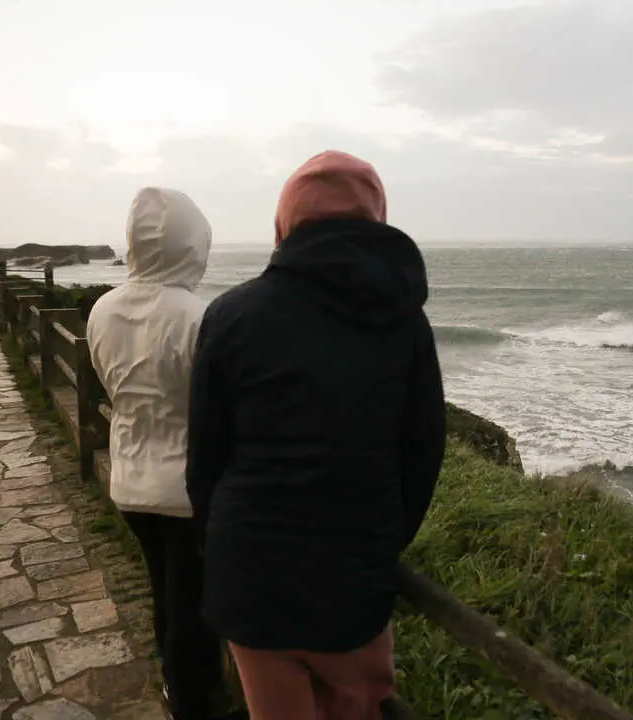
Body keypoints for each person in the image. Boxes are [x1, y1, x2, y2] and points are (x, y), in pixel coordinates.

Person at [186, 150, 446, 719]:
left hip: (249, 573)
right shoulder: (404, 321)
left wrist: (224, 541)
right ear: (375, 217)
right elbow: (424, 450)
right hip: (351, 577)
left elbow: (204, 459)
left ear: (285, 224)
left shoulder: (232, 315)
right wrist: (380, 540)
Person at [87, 187, 229, 720]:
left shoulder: (103, 310)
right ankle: (193, 700)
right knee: (190, 600)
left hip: (129, 477)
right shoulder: (197, 315)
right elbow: (215, 404)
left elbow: (111, 386)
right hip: (186, 486)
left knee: (163, 588)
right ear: (193, 244)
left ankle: (180, 686)